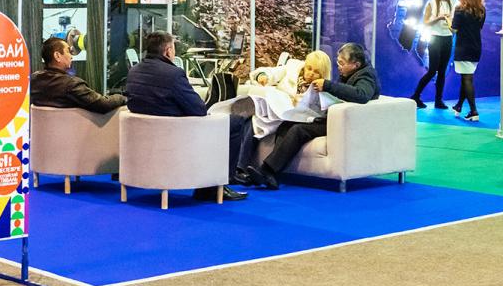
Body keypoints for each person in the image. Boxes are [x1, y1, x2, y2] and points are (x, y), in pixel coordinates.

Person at [125, 31, 249, 201]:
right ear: (168, 51)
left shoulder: (134, 72)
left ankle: (210, 184)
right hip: (178, 135)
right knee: (235, 122)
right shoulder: (173, 74)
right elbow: (199, 109)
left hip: (145, 138)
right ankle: (218, 184)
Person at [244, 43, 380, 190]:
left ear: (355, 65)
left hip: (342, 123)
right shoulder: (348, 74)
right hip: (331, 117)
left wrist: (327, 86)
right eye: (338, 62)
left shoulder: (366, 76)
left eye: (342, 63)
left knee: (298, 130)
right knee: (285, 125)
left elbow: (361, 95)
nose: (339, 66)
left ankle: (267, 171)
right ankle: (272, 174)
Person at [231, 51, 332, 186]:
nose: (311, 74)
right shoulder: (292, 67)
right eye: (309, 68)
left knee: (286, 128)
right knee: (251, 120)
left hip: (293, 118)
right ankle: (240, 169)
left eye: (317, 72)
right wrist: (263, 76)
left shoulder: (323, 87)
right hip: (276, 110)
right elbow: (272, 73)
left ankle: (266, 172)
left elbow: (319, 111)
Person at [31, 37, 126, 113]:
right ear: (57, 56)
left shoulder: (34, 79)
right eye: (68, 51)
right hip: (75, 130)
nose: (71, 56)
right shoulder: (70, 84)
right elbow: (103, 105)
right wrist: (122, 97)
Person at [411, 0, 454, 109]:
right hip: (435, 38)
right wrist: (438, 18)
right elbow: (425, 22)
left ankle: (438, 101)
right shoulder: (431, 2)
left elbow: (452, 22)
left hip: (448, 38)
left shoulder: (452, 2)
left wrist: (451, 24)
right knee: (432, 70)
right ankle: (415, 96)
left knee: (442, 71)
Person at [451, 0, 486, 121]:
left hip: (463, 48)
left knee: (467, 79)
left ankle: (473, 111)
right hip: (476, 48)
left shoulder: (459, 9)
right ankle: (459, 105)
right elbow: (480, 27)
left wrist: (447, 20)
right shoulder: (482, 10)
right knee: (465, 78)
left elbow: (454, 29)